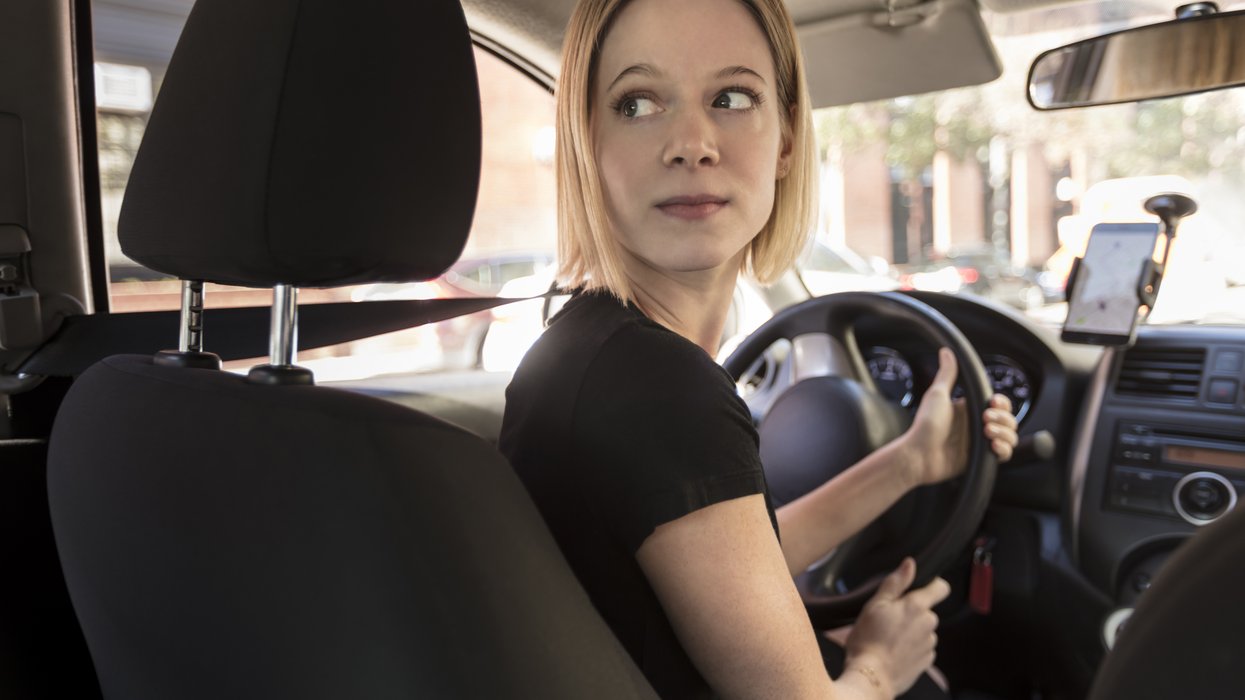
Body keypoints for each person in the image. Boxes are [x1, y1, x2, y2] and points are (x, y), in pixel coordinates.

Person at [499, 0, 1020, 697]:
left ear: (785, 142)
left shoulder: (591, 352)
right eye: (636, 103)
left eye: (732, 97)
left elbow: (727, 545)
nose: (691, 142)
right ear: (586, 142)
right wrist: (877, 664)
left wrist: (908, 463)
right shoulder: (658, 388)